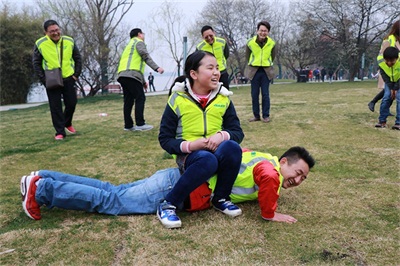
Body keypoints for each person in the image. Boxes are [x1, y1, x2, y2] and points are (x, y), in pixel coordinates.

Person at [20, 146, 315, 224]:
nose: (297, 180)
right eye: (297, 172)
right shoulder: (269, 169)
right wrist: (269, 213)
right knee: (111, 201)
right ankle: (41, 190)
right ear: (284, 161)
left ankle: (44, 177)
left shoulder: (261, 159)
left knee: (112, 190)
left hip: (176, 181)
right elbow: (267, 178)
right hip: (175, 189)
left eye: (303, 179)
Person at [157, 50, 244, 228]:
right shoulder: (177, 99)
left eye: (217, 68)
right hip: (190, 156)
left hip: (215, 150)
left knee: (232, 148)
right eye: (210, 68)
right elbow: (165, 139)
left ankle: (221, 198)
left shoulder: (224, 98)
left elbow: (237, 131)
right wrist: (190, 146)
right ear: (194, 74)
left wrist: (221, 136)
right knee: (207, 160)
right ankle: (168, 204)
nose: (216, 73)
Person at [32, 20, 82, 140]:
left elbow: (77, 58)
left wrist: (76, 74)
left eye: (57, 30)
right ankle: (60, 132)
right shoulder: (40, 43)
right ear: (46, 32)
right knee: (55, 107)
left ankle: (67, 122)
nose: (55, 33)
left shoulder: (69, 40)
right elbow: (36, 63)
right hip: (51, 79)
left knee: (71, 103)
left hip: (69, 77)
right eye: (52, 31)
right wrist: (44, 79)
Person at [117, 28, 164, 132]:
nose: (144, 35)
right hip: (132, 75)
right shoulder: (139, 42)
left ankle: (128, 125)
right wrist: (157, 68)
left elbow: (135, 64)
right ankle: (140, 123)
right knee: (140, 98)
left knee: (128, 100)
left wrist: (142, 81)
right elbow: (145, 57)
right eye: (143, 33)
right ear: (139, 34)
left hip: (122, 75)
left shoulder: (129, 45)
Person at [245, 21, 276, 123]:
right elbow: (247, 56)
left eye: (265, 31)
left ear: (268, 32)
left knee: (265, 94)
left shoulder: (272, 43)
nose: (263, 33)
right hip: (254, 70)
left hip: (266, 71)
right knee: (254, 94)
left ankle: (266, 115)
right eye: (261, 30)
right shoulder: (250, 42)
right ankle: (256, 115)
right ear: (257, 31)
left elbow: (273, 56)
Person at [368, 20, 399, 113]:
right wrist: (388, 65)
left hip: (397, 71)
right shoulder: (389, 39)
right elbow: (383, 56)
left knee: (392, 91)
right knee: (388, 91)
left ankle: (382, 108)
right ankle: (375, 104)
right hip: (388, 70)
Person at [196, 25, 230, 89]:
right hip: (209, 75)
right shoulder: (199, 47)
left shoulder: (222, 42)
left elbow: (226, 54)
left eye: (211, 35)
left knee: (225, 93)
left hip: (222, 72)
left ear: (214, 33)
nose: (209, 38)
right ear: (203, 37)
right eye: (206, 37)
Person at [375, 47, 400, 130]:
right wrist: (391, 88)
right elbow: (384, 76)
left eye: (392, 61)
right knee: (386, 97)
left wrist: (395, 89)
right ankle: (382, 121)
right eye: (387, 60)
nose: (389, 63)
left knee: (399, 98)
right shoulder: (381, 61)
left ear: (397, 58)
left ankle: (398, 123)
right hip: (389, 81)